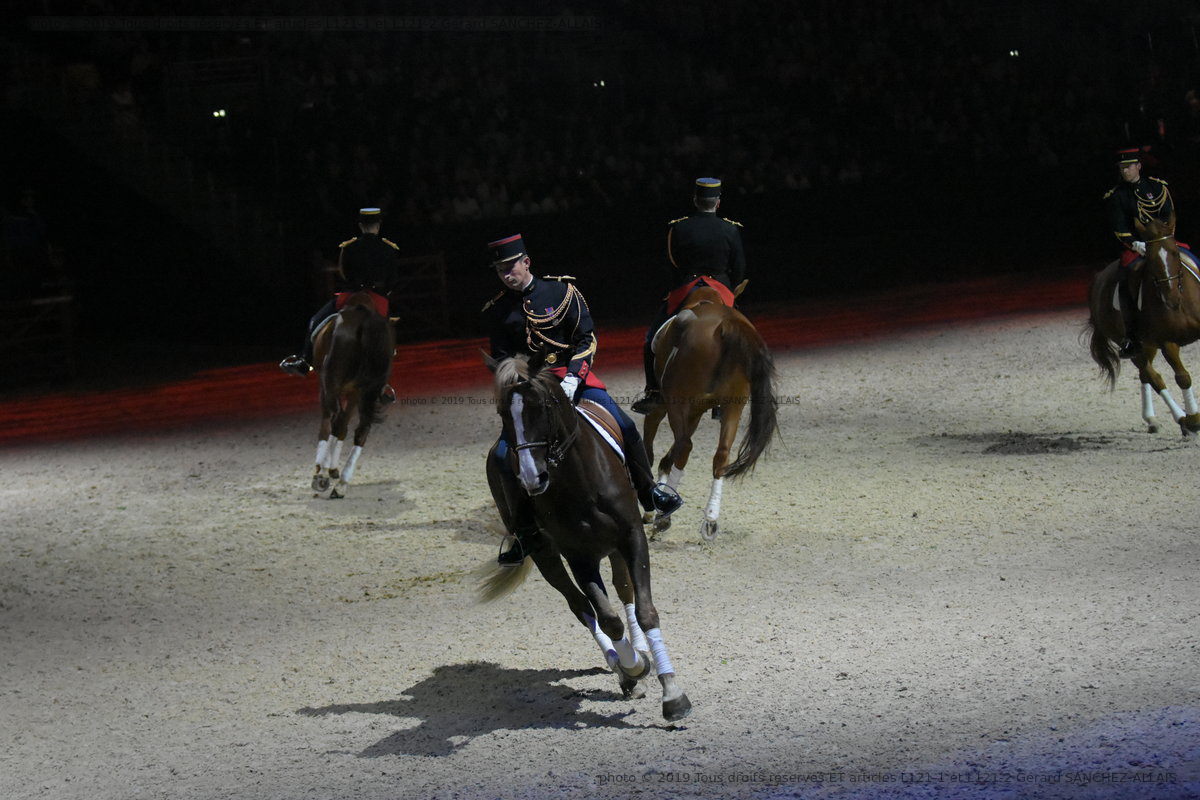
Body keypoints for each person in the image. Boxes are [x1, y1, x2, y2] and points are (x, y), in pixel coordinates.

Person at [481, 233, 683, 566]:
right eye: (500, 270)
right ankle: (523, 532)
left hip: (572, 378)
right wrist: (521, 386)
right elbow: (502, 360)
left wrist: (575, 377)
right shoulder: (498, 310)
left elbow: (585, 338)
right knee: (503, 455)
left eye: (510, 267)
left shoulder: (561, 292)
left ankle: (650, 493)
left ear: (526, 262)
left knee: (625, 426)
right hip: (531, 391)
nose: (506, 274)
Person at [631, 177, 745, 414]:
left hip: (687, 287)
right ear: (718, 202)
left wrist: (677, 286)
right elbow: (739, 267)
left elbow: (671, 264)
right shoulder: (730, 229)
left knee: (651, 339)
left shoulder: (678, 227)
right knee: (740, 337)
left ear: (695, 200)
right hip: (721, 288)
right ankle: (729, 392)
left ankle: (654, 392)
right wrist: (729, 288)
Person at [280, 208, 400, 400]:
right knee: (385, 342)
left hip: (351, 294)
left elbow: (344, 274)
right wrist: (382, 293)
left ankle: (305, 361)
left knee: (315, 321)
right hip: (377, 298)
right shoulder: (388, 248)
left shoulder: (349, 247)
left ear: (361, 226)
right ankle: (382, 384)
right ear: (378, 226)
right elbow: (392, 279)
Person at [1103, 147, 1175, 358]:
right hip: (1137, 247)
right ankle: (1131, 335)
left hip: (1162, 241)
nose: (1125, 171)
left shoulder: (1157, 187)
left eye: (1128, 167)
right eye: (1122, 168)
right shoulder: (1117, 195)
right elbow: (1119, 227)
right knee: (1127, 280)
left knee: (1192, 261)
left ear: (1138, 166)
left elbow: (1168, 215)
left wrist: (1164, 240)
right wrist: (1136, 244)